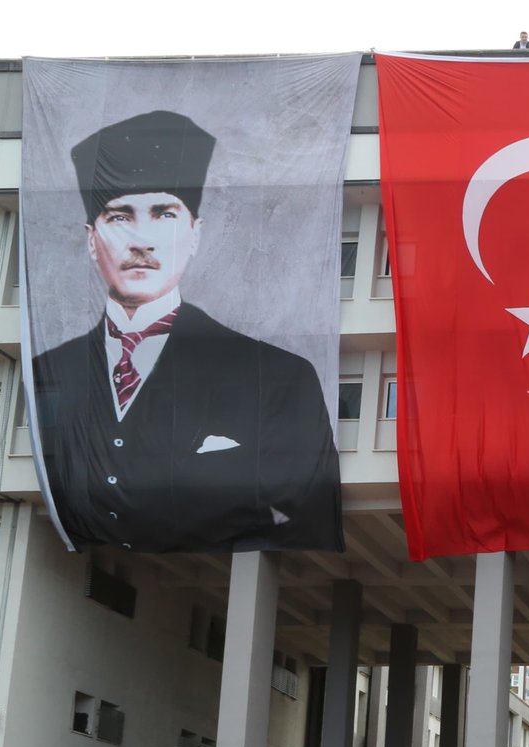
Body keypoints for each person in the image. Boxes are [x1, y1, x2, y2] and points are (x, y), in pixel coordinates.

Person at [28, 109, 340, 553]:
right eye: (119, 217)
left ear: (195, 234)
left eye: (163, 214)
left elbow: (302, 513)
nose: (142, 240)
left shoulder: (277, 378)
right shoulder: (49, 374)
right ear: (90, 238)